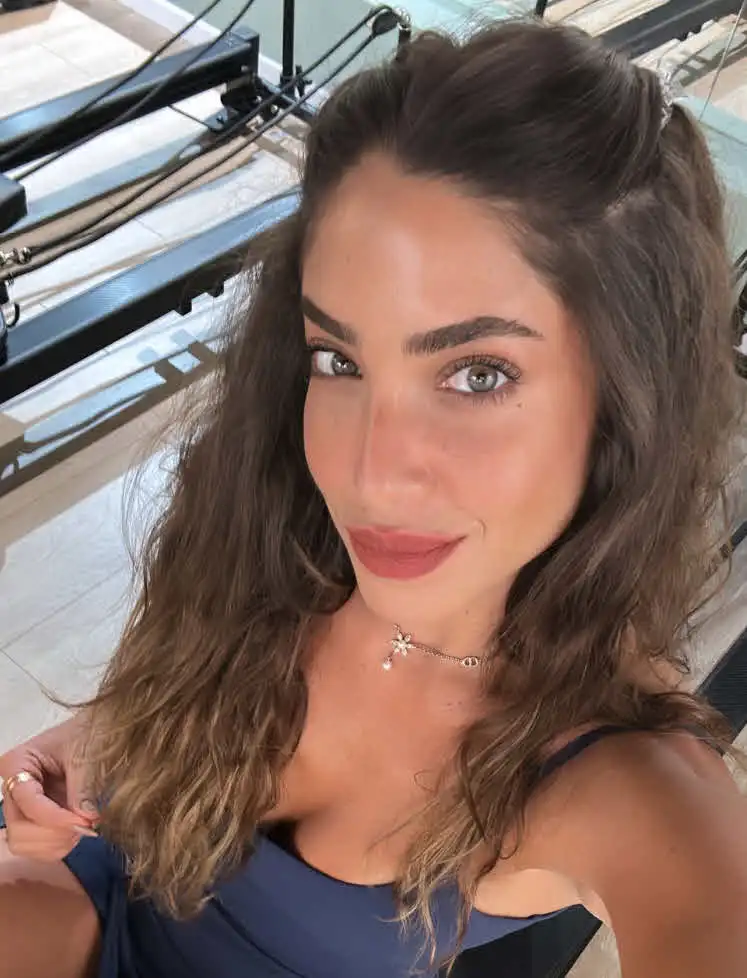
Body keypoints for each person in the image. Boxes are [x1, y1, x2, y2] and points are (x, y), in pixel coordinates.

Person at [1, 18, 745, 978]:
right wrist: (74, 759)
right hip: (80, 900)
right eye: (338, 360)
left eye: (477, 373)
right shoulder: (275, 532)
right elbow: (153, 718)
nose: (368, 473)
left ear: (625, 401)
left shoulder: (619, 780)